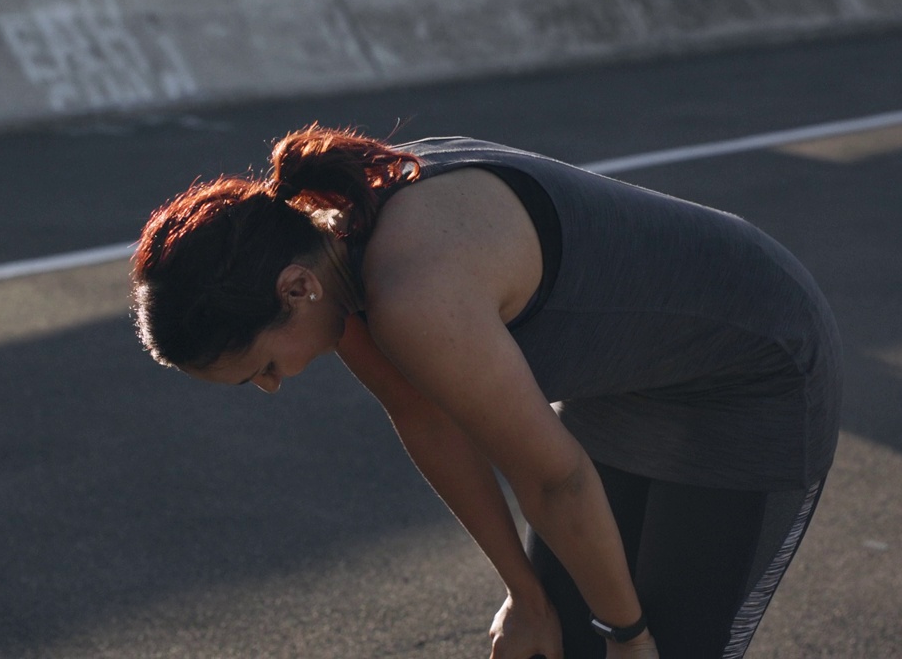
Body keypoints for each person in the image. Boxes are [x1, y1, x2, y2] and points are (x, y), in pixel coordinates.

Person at [130, 124, 842, 659]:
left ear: (295, 288)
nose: (271, 387)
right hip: (631, 381)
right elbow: (425, 418)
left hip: (753, 369)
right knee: (553, 637)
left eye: (262, 366)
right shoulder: (333, 264)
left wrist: (626, 634)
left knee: (657, 647)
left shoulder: (413, 291)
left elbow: (556, 480)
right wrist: (525, 594)